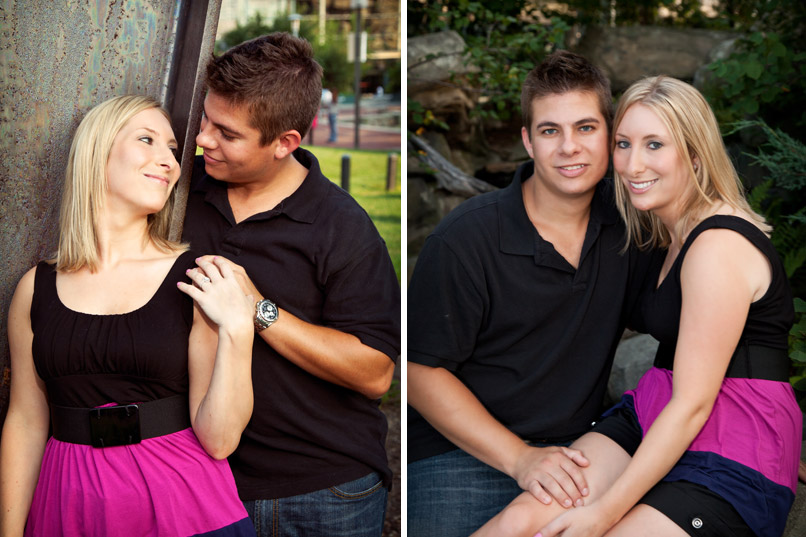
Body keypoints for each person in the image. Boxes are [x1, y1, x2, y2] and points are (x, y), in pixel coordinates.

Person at [473, 76, 801, 537]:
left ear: (694, 153)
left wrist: (602, 516)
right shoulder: (668, 236)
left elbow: (694, 403)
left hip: (732, 439)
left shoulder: (717, 245)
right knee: (521, 521)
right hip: (655, 411)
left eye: (654, 145)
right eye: (624, 143)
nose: (632, 164)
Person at [407, 50, 654, 537]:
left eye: (585, 128)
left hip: (579, 451)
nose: (569, 148)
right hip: (459, 456)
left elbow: (701, 320)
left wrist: (754, 430)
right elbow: (418, 371)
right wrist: (520, 459)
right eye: (549, 131)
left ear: (610, 134)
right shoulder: (466, 238)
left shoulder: (633, 228)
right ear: (527, 140)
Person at [0, 95, 257, 536]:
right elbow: (26, 419)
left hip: (182, 504)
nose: (170, 162)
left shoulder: (194, 280)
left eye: (173, 151)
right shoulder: (34, 288)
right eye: (147, 140)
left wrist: (238, 330)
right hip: (68, 506)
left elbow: (220, 439)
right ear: (97, 153)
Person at [181, 33, 400, 536]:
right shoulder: (179, 191)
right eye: (206, 119)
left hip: (323, 491)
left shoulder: (341, 226)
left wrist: (259, 310)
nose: (203, 139)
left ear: (285, 143)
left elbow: (375, 373)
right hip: (202, 480)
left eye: (227, 133)